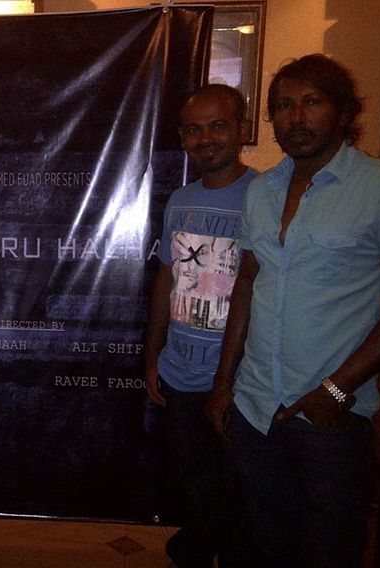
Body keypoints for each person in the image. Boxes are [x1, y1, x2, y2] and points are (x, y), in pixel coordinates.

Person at [206, 54, 380, 567]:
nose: (296, 117)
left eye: (312, 102)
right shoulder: (262, 191)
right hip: (255, 408)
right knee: (265, 542)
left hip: (329, 417)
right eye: (283, 105)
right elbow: (247, 284)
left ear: (343, 112)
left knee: (329, 549)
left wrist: (335, 391)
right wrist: (224, 384)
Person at [143, 84, 256, 568]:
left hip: (240, 380)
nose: (205, 138)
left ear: (242, 130)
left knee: (238, 490)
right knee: (194, 481)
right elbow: (167, 278)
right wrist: (152, 355)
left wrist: (229, 379)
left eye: (218, 126)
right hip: (179, 372)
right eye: (194, 129)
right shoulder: (179, 200)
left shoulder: (265, 196)